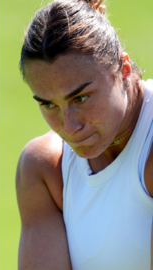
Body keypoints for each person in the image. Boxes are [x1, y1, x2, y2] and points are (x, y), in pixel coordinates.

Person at [16, 0, 153, 269]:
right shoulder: (45, 168)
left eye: (80, 98)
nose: (69, 127)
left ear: (123, 71)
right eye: (48, 104)